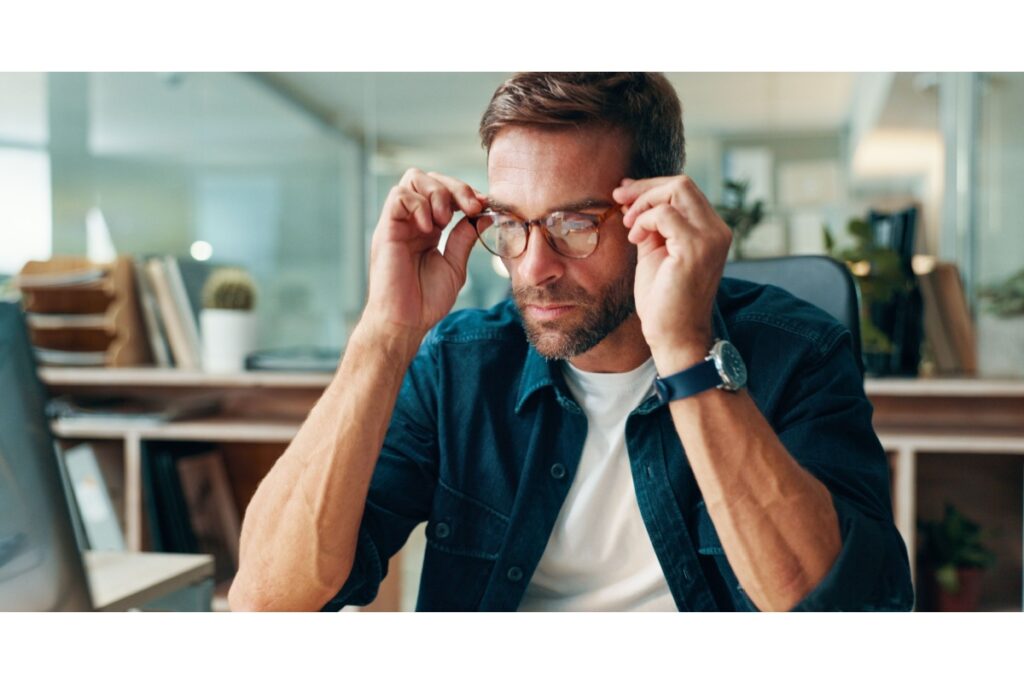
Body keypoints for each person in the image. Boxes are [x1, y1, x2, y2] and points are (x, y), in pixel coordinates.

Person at [229, 72, 914, 612]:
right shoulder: (459, 366)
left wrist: (685, 351)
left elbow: (841, 614)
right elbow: (269, 600)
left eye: (574, 224)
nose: (534, 267)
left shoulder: (799, 352)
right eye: (511, 224)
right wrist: (386, 331)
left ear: (654, 213)